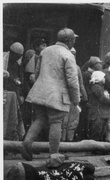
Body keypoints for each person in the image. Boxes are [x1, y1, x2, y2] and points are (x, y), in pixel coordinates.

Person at [20, 27, 80, 161]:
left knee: (40, 119)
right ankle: (54, 154)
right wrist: (75, 100)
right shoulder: (68, 55)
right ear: (70, 41)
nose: (74, 42)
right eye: (74, 39)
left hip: (40, 91)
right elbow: (72, 81)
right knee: (56, 121)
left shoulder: (45, 51)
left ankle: (27, 143)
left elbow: (36, 72)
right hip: (56, 94)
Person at [61, 47, 88, 142]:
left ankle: (69, 140)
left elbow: (80, 83)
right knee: (63, 121)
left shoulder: (77, 68)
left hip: (75, 97)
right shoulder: (61, 66)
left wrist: (84, 95)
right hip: (64, 97)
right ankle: (62, 141)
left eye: (74, 54)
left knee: (73, 122)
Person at [75, 56, 102, 141]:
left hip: (90, 101)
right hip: (88, 101)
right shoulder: (87, 74)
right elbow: (85, 88)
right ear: (94, 65)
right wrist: (87, 100)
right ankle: (82, 137)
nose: (100, 65)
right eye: (99, 63)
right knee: (85, 120)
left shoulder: (92, 73)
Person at [88, 71, 110, 141]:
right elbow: (102, 99)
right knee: (97, 132)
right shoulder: (97, 87)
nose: (104, 79)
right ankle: (95, 149)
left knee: (101, 132)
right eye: (103, 78)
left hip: (100, 114)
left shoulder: (99, 87)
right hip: (98, 114)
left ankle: (98, 149)